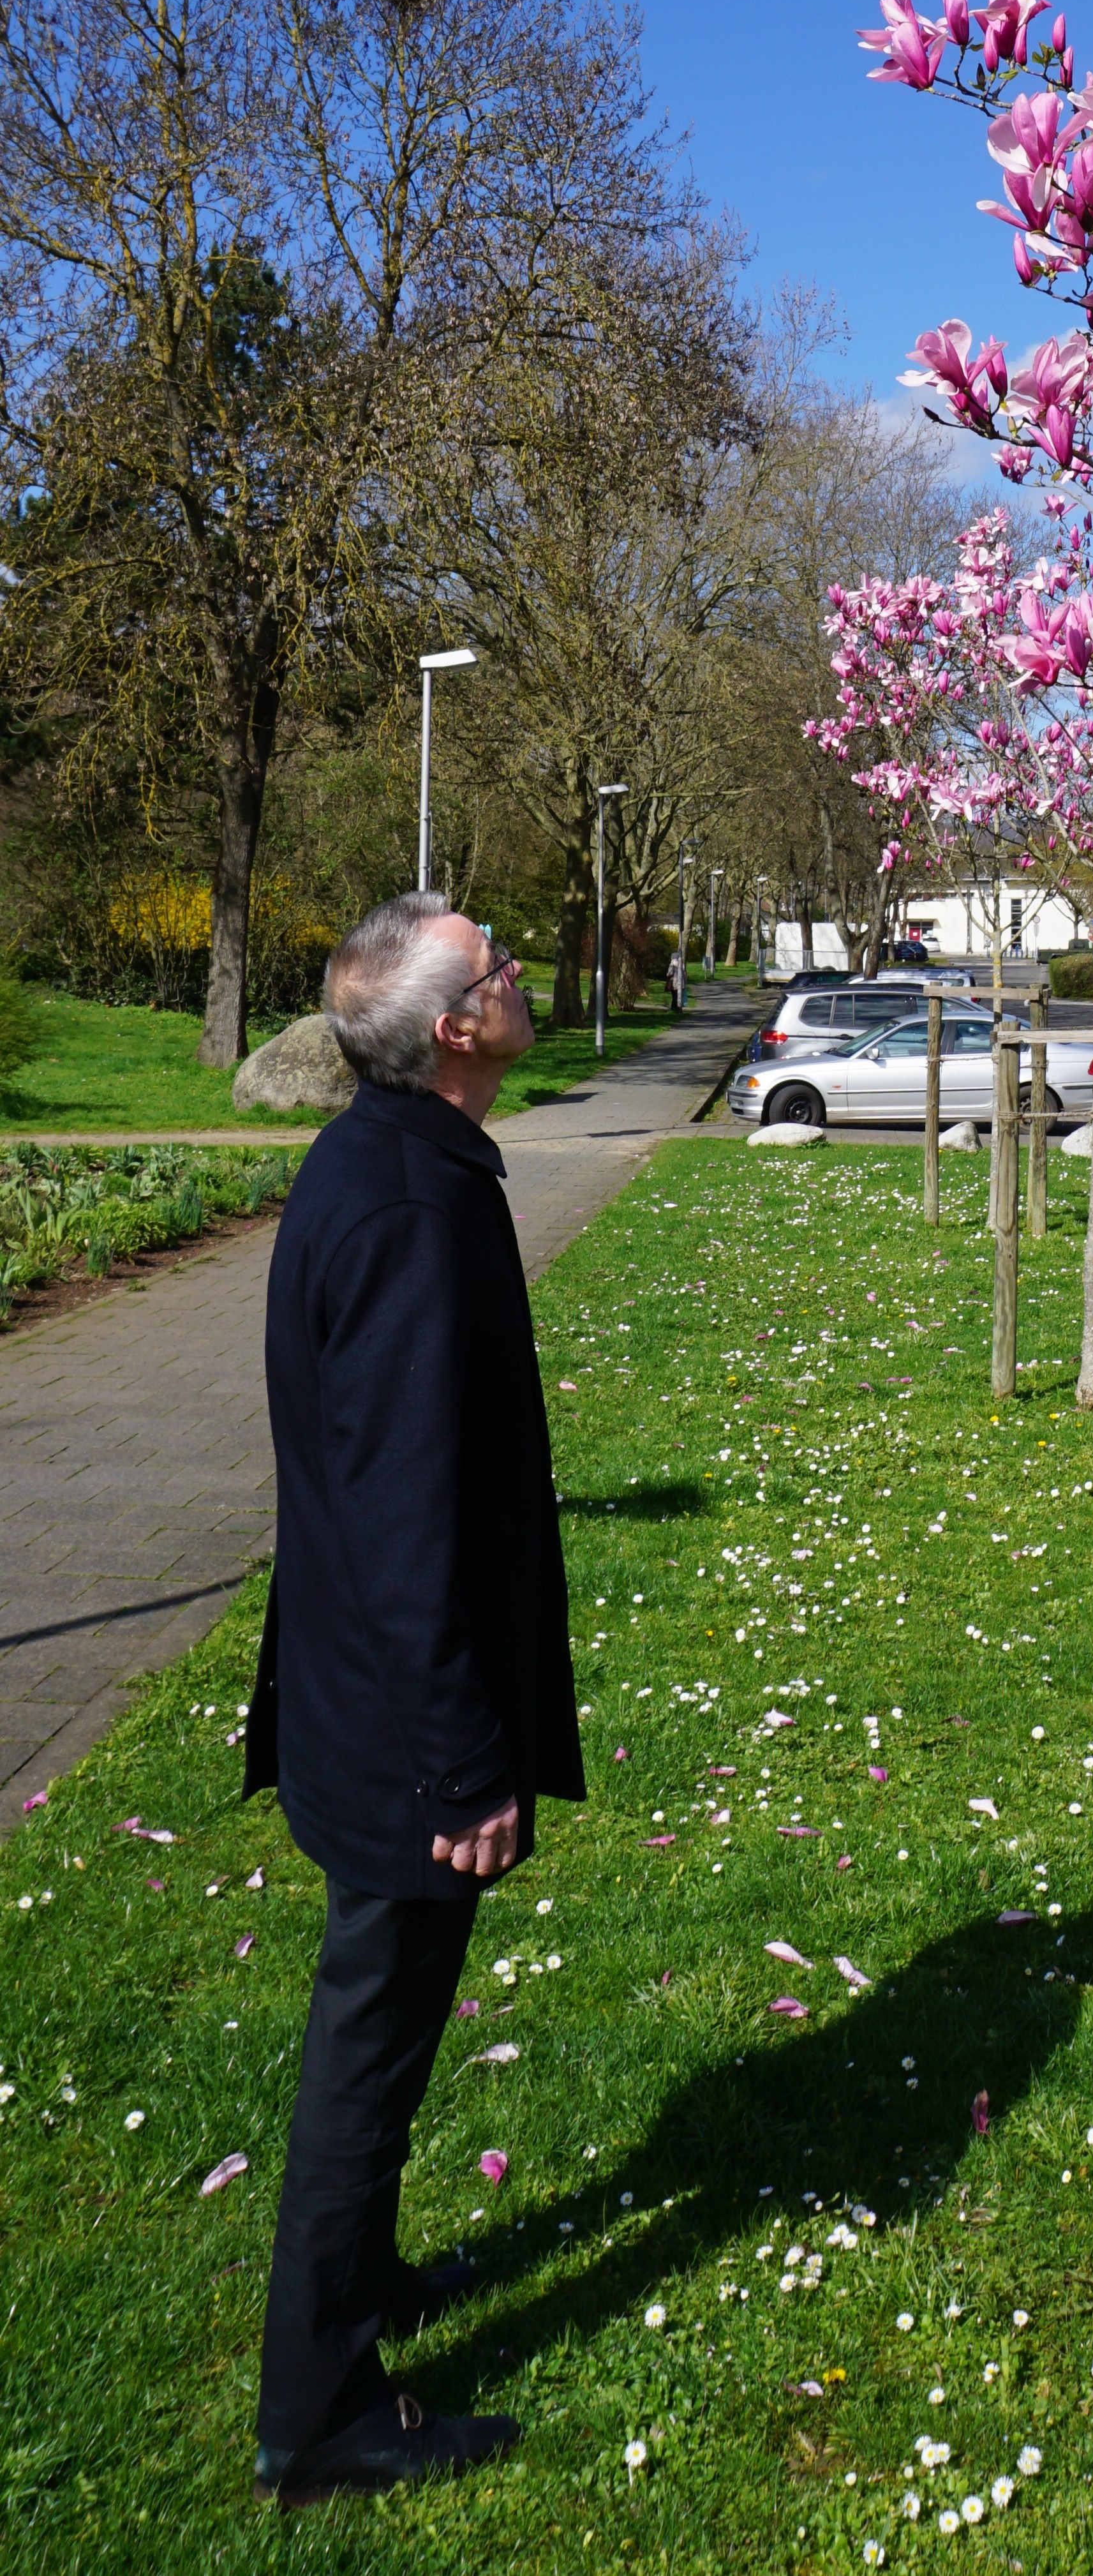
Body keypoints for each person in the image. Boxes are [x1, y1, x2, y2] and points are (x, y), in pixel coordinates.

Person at [241, 892, 584, 2509]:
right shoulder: (404, 1209)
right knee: (364, 2061)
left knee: (374, 2037)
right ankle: (316, 2417)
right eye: (498, 968)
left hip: (363, 1699)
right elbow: (408, 1518)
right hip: (398, 1727)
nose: (522, 976)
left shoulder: (399, 1165)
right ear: (453, 1030)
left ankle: (365, 2289)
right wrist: (464, 1768)